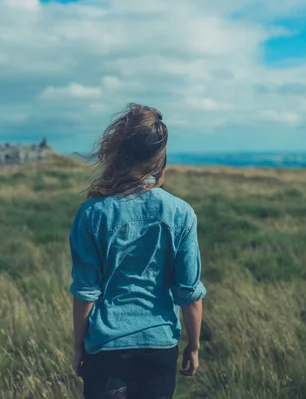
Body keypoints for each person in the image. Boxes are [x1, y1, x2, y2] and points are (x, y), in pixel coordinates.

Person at [69, 103, 207, 399]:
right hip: (159, 347)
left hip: (106, 349)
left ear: (119, 152)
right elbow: (189, 295)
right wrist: (193, 347)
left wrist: (78, 347)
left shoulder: (92, 214)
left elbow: (85, 292)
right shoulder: (181, 213)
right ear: (159, 155)